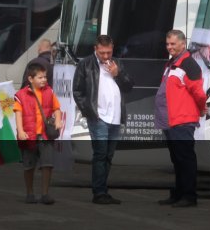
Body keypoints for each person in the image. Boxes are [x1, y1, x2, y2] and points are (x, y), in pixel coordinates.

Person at [73, 35, 133, 205]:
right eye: (102, 53)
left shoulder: (117, 63)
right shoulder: (85, 64)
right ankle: (99, 192)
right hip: (98, 117)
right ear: (95, 49)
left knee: (108, 155)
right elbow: (77, 91)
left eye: (109, 52)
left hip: (115, 117)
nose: (106, 56)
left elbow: (129, 86)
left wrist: (118, 74)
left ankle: (102, 189)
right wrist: (90, 112)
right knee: (100, 154)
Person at [156, 30, 206, 208]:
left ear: (183, 44)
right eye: (167, 44)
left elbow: (199, 93)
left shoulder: (189, 64)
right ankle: (179, 193)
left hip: (182, 120)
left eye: (173, 44)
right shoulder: (172, 63)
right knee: (177, 159)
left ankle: (189, 196)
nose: (169, 47)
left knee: (185, 159)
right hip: (171, 120)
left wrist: (201, 109)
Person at [13, 61, 63, 205]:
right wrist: (21, 131)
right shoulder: (20, 95)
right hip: (29, 136)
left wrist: (58, 121)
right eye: (40, 77)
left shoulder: (49, 91)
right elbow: (18, 114)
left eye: (45, 77)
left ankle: (45, 194)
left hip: (45, 135)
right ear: (30, 79)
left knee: (47, 165)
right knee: (29, 166)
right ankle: (29, 193)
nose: (44, 80)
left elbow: (57, 108)